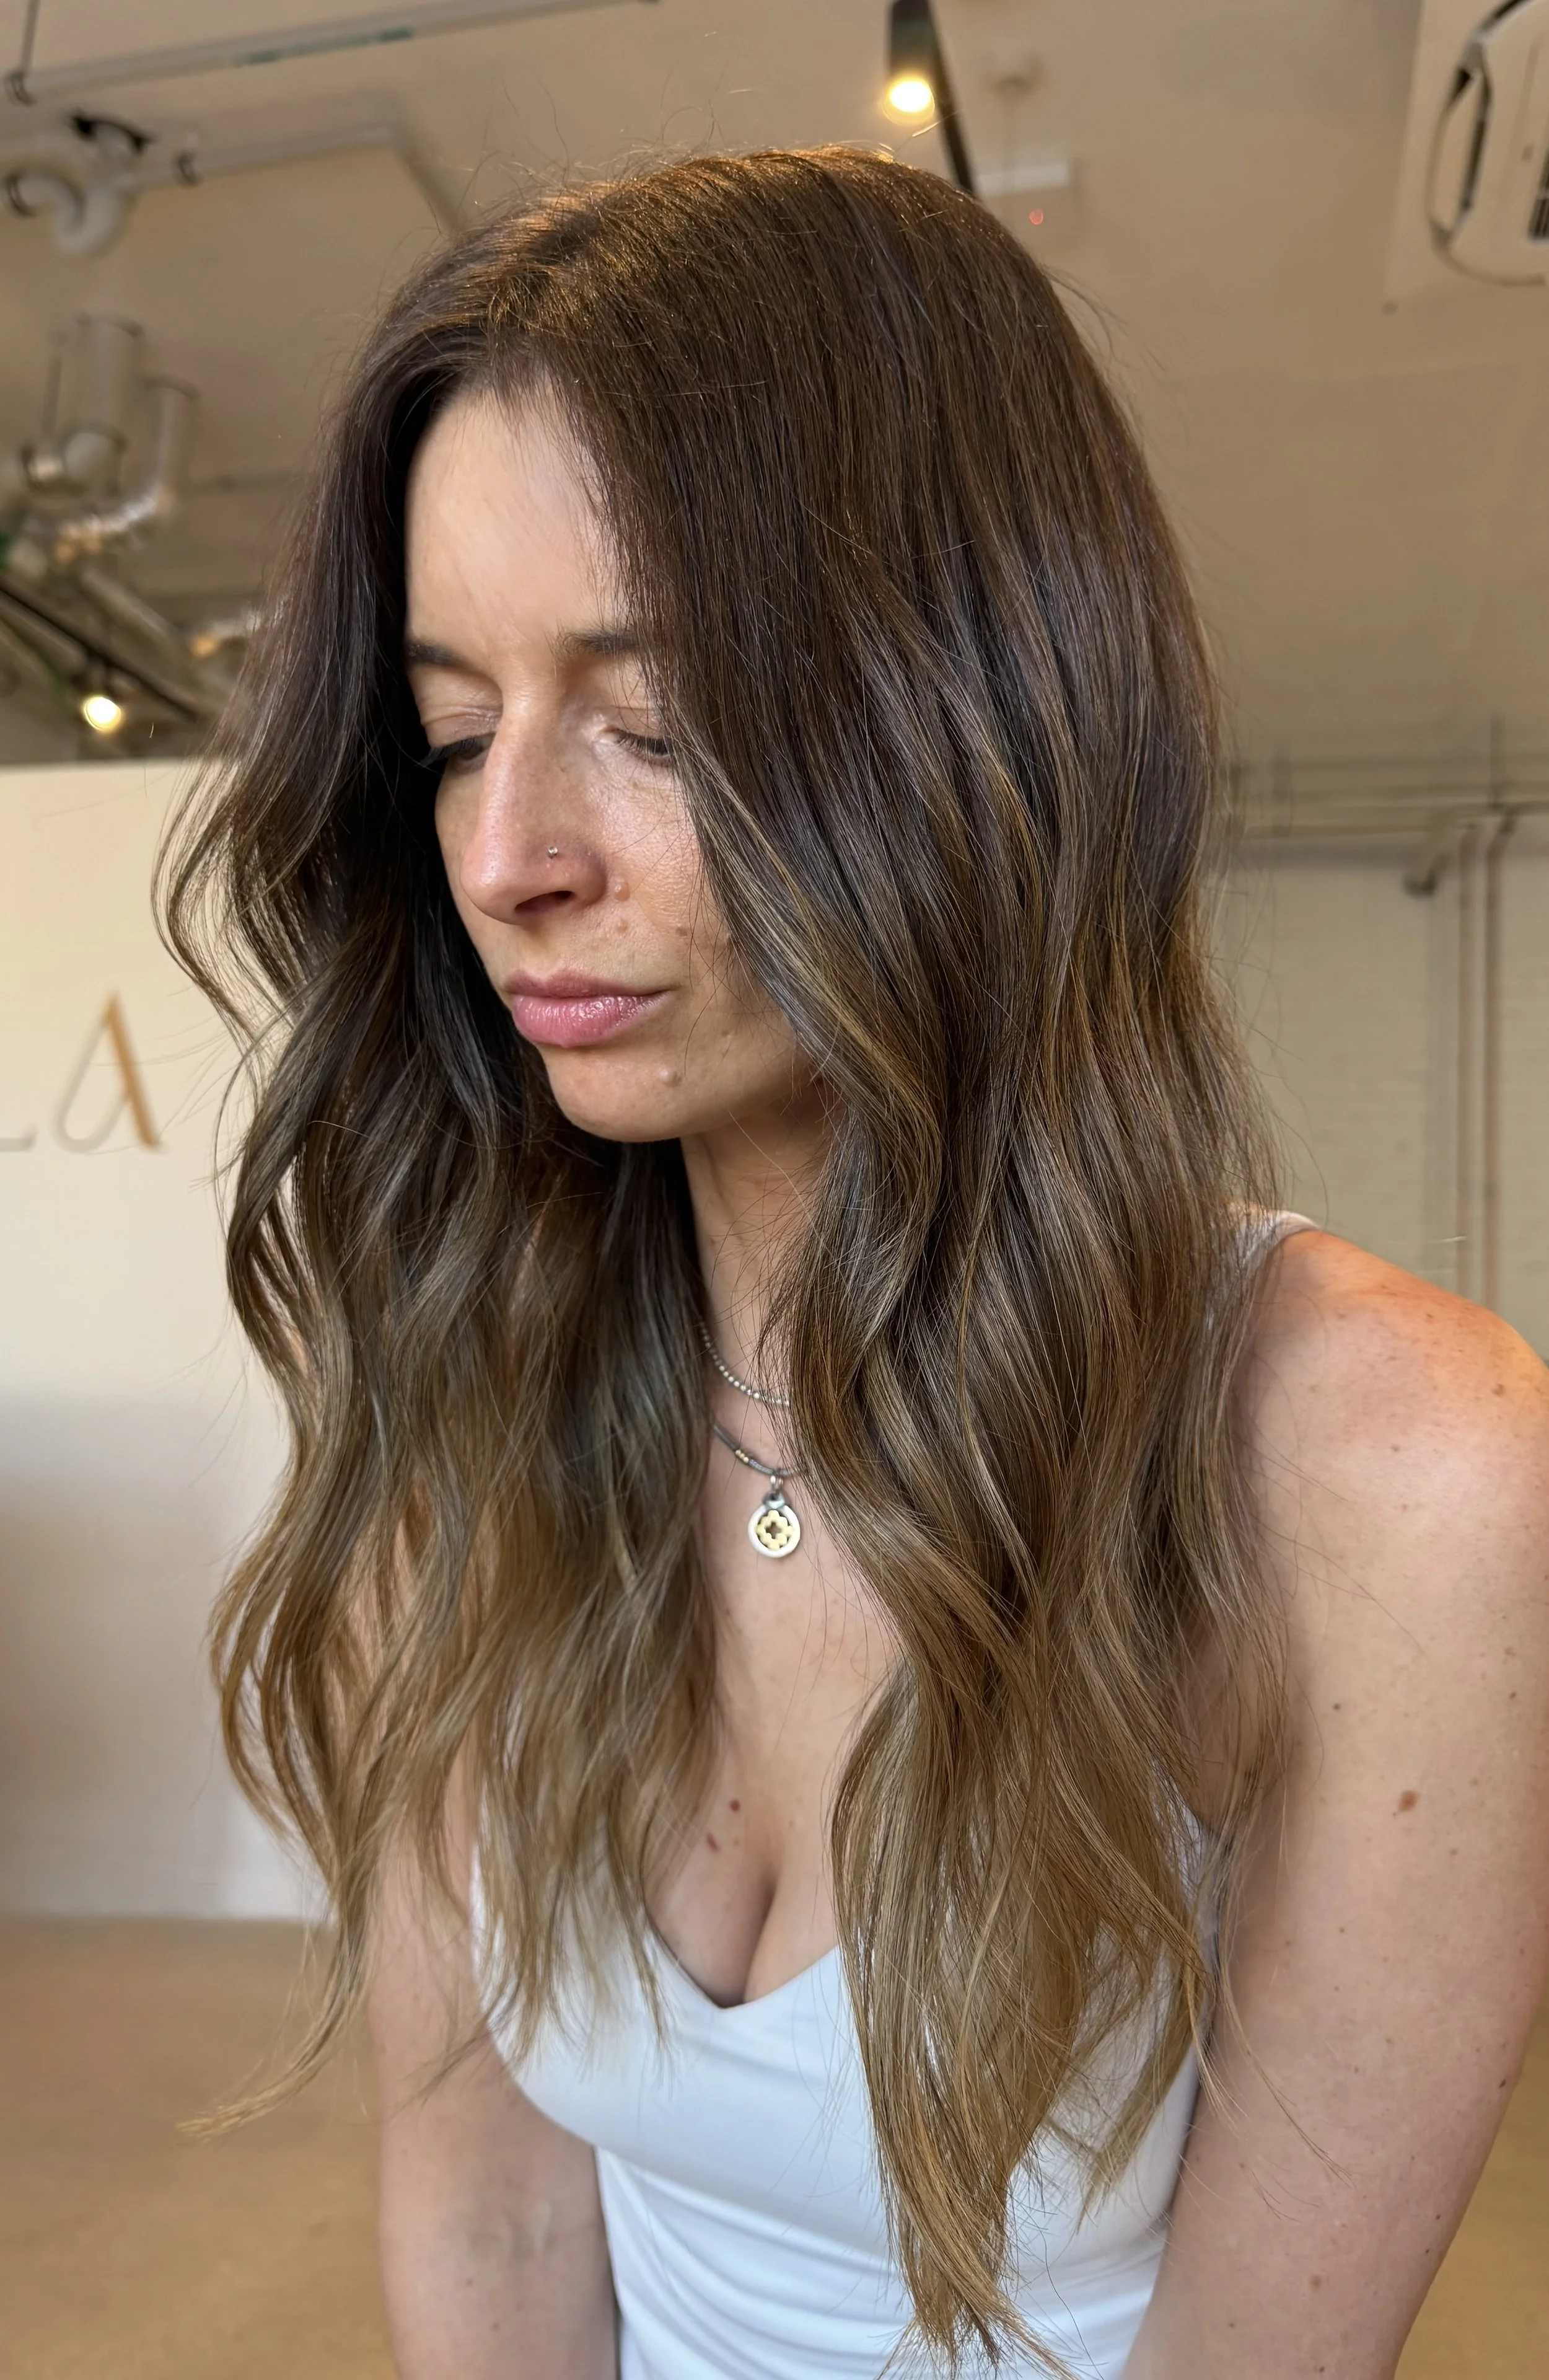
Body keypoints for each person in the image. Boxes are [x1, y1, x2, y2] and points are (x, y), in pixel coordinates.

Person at [162, 149, 1549, 2380]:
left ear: (987, 705)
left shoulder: (1395, 1469)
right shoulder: (470, 1405)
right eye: (449, 734)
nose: (506, 855)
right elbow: (500, 2228)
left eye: (658, 714)